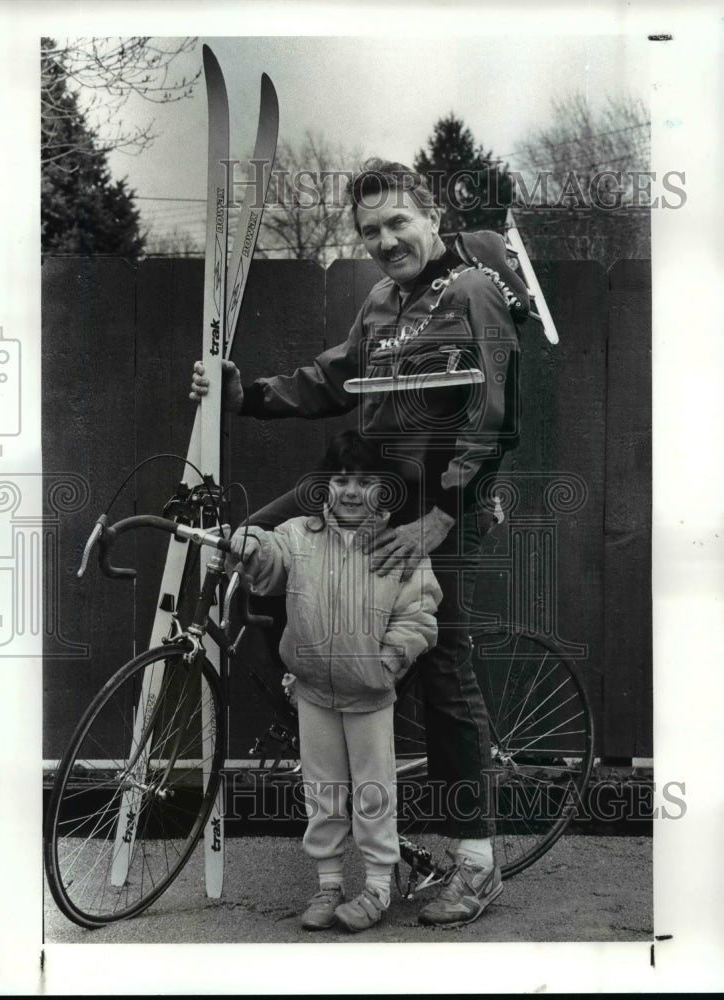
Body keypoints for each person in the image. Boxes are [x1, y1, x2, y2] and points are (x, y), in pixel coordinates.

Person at [192, 159, 527, 926]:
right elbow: (335, 378)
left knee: (441, 662)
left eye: (396, 223)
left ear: (431, 214)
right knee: (257, 544)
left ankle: (476, 861)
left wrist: (440, 516)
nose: (383, 240)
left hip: (442, 501)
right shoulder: (381, 301)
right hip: (373, 491)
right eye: (369, 230)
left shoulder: (473, 291)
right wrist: (250, 395)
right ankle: (321, 679)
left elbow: (497, 417)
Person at [227, 429, 442, 932]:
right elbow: (269, 558)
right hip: (314, 691)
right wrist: (250, 543)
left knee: (373, 792)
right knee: (322, 791)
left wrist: (388, 660)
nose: (350, 490)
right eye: (342, 478)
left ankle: (377, 888)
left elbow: (420, 614)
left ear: (383, 489)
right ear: (326, 485)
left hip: (369, 693)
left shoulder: (399, 545)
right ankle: (328, 885)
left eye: (364, 480)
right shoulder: (300, 535)